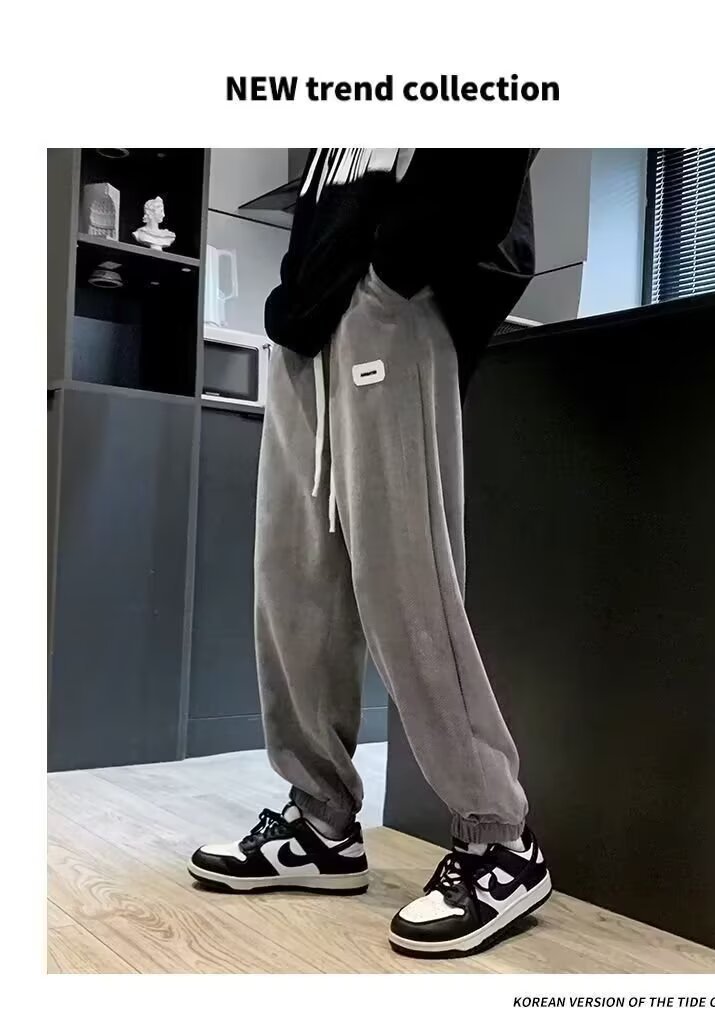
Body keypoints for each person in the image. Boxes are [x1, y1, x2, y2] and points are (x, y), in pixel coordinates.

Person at [188, 148, 551, 958]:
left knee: (408, 591)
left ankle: (500, 838)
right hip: (305, 325)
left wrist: (392, 272)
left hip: (391, 305)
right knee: (294, 588)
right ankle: (321, 822)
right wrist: (298, 296)